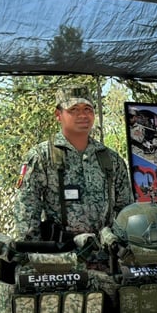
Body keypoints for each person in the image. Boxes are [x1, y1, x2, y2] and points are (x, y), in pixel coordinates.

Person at [14, 87, 133, 241]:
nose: (82, 115)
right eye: (74, 109)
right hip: (62, 258)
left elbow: (126, 210)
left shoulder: (111, 159)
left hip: (105, 257)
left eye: (87, 109)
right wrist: (34, 255)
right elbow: (26, 212)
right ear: (58, 115)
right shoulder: (41, 157)